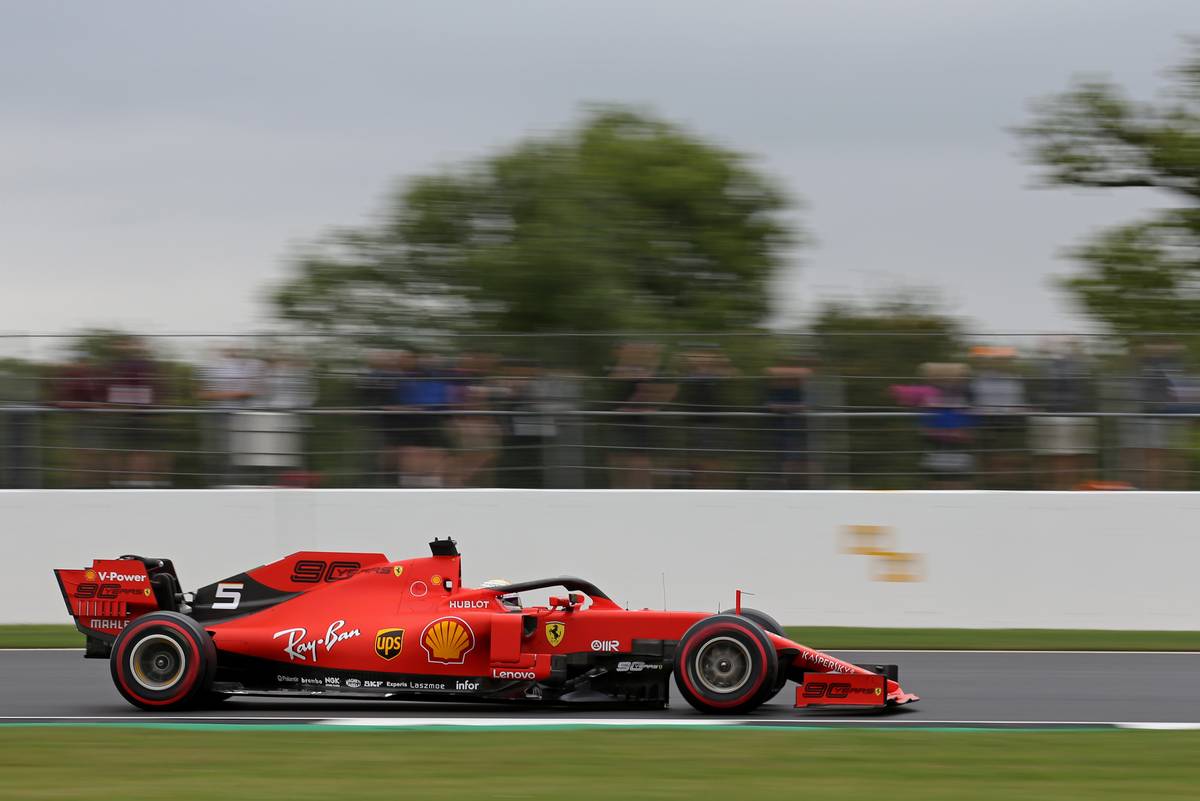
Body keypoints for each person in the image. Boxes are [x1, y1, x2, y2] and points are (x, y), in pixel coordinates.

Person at [606, 342, 675, 488]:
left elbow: (663, 395)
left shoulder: (657, 373)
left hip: (645, 431)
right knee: (623, 472)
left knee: (641, 472)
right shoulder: (621, 372)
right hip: (625, 428)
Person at [104, 337, 166, 487]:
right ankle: (118, 484)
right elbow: (109, 389)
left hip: (140, 414)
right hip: (123, 413)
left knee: (140, 451)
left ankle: (139, 484)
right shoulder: (117, 365)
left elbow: (153, 390)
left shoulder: (146, 365)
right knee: (121, 451)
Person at [763, 356, 813, 489]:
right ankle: (784, 484)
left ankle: (791, 484)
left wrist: (785, 408)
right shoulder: (776, 389)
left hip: (795, 429)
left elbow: (805, 406)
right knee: (784, 458)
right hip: (780, 429)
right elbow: (771, 406)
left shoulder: (798, 390)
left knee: (794, 458)